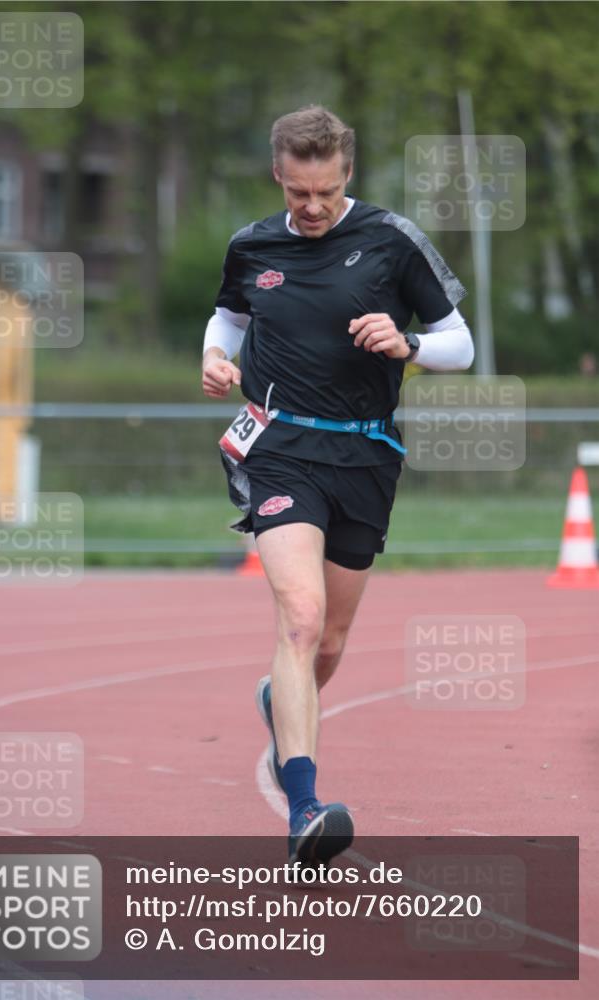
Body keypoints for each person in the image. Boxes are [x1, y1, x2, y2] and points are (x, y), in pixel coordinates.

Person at [201, 106, 474, 865]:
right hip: (278, 448)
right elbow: (226, 318)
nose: (312, 208)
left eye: (324, 192)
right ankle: (304, 810)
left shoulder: (391, 239)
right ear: (278, 177)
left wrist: (408, 340)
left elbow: (461, 342)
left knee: (328, 640)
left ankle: (278, 701)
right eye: (297, 194)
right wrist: (216, 362)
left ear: (345, 174)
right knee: (299, 616)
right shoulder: (251, 245)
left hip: (365, 456)